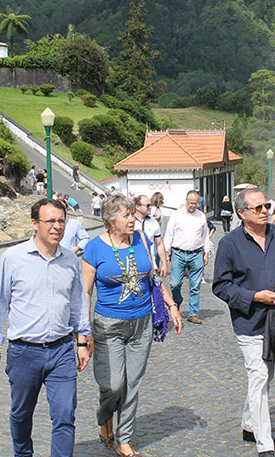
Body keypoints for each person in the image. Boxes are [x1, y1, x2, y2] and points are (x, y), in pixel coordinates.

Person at [0, 198, 91, 457]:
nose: (57, 227)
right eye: (51, 221)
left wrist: (82, 341)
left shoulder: (70, 260)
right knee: (21, 414)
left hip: (62, 351)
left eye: (61, 221)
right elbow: (1, 302)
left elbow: (78, 302)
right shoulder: (13, 258)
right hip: (24, 352)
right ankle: (23, 454)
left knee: (65, 416)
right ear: (35, 224)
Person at [82, 194, 182, 457]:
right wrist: (83, 331)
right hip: (108, 324)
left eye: (132, 214)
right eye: (126, 215)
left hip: (141, 323)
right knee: (113, 384)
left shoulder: (141, 239)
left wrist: (171, 305)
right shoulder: (94, 248)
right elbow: (85, 292)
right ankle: (105, 417)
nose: (132, 220)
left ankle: (124, 439)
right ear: (110, 219)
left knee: (132, 383)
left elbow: (152, 278)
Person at [212, 187, 275, 456]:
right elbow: (221, 286)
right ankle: (265, 444)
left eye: (266, 206)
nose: (265, 211)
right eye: (258, 208)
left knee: (265, 377)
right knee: (260, 374)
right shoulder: (229, 244)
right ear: (241, 213)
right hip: (249, 321)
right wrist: (253, 296)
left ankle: (249, 424)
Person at [163, 190, 210, 324]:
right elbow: (169, 234)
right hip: (178, 253)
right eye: (191, 203)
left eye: (196, 203)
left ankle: (192, 313)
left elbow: (204, 235)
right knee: (175, 284)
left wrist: (206, 252)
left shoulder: (201, 216)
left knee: (195, 285)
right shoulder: (176, 215)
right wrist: (166, 252)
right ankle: (176, 302)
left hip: (196, 253)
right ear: (186, 201)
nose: (193, 206)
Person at [133, 195, 168, 278]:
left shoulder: (153, 222)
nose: (150, 208)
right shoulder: (130, 221)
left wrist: (164, 264)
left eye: (151, 205)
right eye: (147, 205)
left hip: (151, 265)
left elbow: (159, 244)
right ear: (137, 206)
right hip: (133, 265)